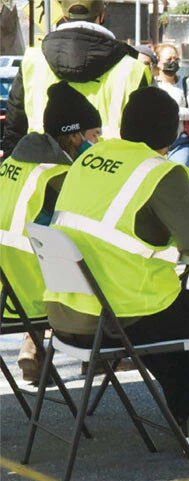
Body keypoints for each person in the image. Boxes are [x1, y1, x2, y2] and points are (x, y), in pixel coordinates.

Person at [44, 87, 189, 450]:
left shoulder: (90, 159)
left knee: (174, 319)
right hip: (118, 314)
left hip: (66, 312)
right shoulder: (161, 173)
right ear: (171, 133)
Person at [0, 81, 100, 383]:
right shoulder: (61, 178)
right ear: (73, 136)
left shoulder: (13, 164)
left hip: (5, 288)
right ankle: (98, 352)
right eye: (94, 135)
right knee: (103, 270)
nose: (97, 142)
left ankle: (34, 344)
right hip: (27, 297)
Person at [2, 0, 150, 156]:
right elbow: (147, 139)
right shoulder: (133, 69)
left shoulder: (32, 60)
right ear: (101, 16)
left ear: (65, 16)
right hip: (111, 173)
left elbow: (14, 130)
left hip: (41, 171)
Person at [153, 43, 189, 168]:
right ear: (158, 62)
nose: (173, 62)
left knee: (178, 173)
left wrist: (173, 112)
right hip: (155, 143)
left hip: (180, 142)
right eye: (169, 59)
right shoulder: (152, 84)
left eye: (176, 59)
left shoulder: (187, 83)